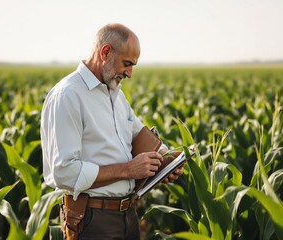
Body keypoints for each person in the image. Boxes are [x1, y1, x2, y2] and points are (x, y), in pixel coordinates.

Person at [40, 23, 183, 240]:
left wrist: (165, 159)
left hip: (127, 214)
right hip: (92, 219)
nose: (130, 73)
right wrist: (127, 170)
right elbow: (63, 172)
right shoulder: (68, 96)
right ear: (105, 52)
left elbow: (137, 132)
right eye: (127, 64)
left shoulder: (115, 94)